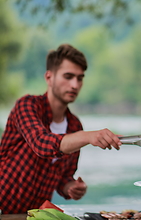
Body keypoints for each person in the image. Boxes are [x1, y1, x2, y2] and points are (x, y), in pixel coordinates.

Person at [0, 44, 122, 214]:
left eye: (80, 78)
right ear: (49, 77)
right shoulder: (27, 105)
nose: (75, 84)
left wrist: (70, 187)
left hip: (35, 216)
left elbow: (63, 177)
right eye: (68, 76)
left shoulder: (74, 125)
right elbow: (41, 143)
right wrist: (87, 137)